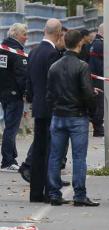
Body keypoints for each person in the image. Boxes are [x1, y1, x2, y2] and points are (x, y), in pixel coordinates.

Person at [46, 29, 98, 207]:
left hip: (58, 115)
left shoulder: (54, 66)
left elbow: (50, 93)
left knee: (55, 156)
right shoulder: (82, 66)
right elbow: (86, 93)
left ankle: (53, 193)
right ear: (80, 44)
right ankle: (80, 195)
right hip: (77, 116)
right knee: (79, 157)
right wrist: (92, 108)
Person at [26, 19, 63, 202]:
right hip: (51, 109)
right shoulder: (53, 54)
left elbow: (29, 81)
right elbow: (54, 83)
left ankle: (35, 192)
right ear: (58, 33)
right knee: (51, 151)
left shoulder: (33, 52)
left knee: (39, 151)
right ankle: (50, 191)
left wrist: (32, 98)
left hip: (38, 108)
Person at [0, 23, 28, 172]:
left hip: (4, 93)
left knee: (9, 126)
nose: (27, 37)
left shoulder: (3, 48)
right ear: (16, 35)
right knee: (11, 128)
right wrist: (26, 93)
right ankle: (8, 160)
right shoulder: (16, 52)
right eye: (24, 34)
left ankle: (11, 156)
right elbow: (22, 76)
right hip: (14, 94)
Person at [88, 23, 105, 137]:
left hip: (96, 76)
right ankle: (98, 127)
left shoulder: (95, 43)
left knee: (98, 103)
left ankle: (97, 126)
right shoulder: (100, 44)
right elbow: (101, 64)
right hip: (98, 77)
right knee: (100, 104)